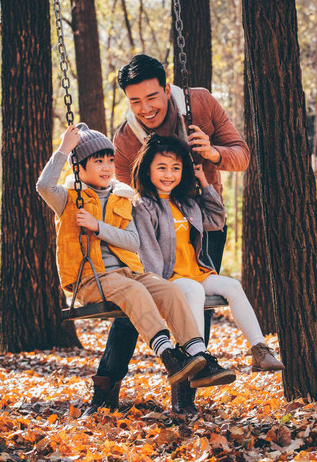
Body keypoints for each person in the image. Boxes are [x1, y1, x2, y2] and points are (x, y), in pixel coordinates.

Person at [36, 123, 235, 416]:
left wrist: (98, 227)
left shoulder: (121, 197)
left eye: (110, 160)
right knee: (135, 291)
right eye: (98, 161)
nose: (106, 167)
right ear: (78, 168)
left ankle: (194, 354)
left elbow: (132, 241)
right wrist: (65, 149)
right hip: (91, 278)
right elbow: (43, 186)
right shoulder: (67, 197)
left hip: (127, 272)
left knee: (167, 289)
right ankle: (168, 355)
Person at [94, 54, 251, 416]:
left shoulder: (200, 103)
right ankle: (104, 392)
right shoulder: (126, 138)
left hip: (202, 224)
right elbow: (119, 194)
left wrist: (212, 152)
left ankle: (186, 397)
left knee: (197, 303)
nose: (145, 108)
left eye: (152, 97)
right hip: (150, 232)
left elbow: (242, 155)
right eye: (135, 101)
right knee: (132, 304)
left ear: (167, 89)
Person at [132, 134, 285, 380]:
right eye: (161, 168)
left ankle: (260, 350)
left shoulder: (186, 203)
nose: (168, 174)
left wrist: (205, 184)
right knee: (194, 290)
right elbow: (147, 250)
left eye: (175, 168)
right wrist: (158, 286)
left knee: (232, 286)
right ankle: (197, 357)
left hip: (196, 271)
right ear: (147, 170)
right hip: (167, 279)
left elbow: (216, 220)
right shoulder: (144, 206)